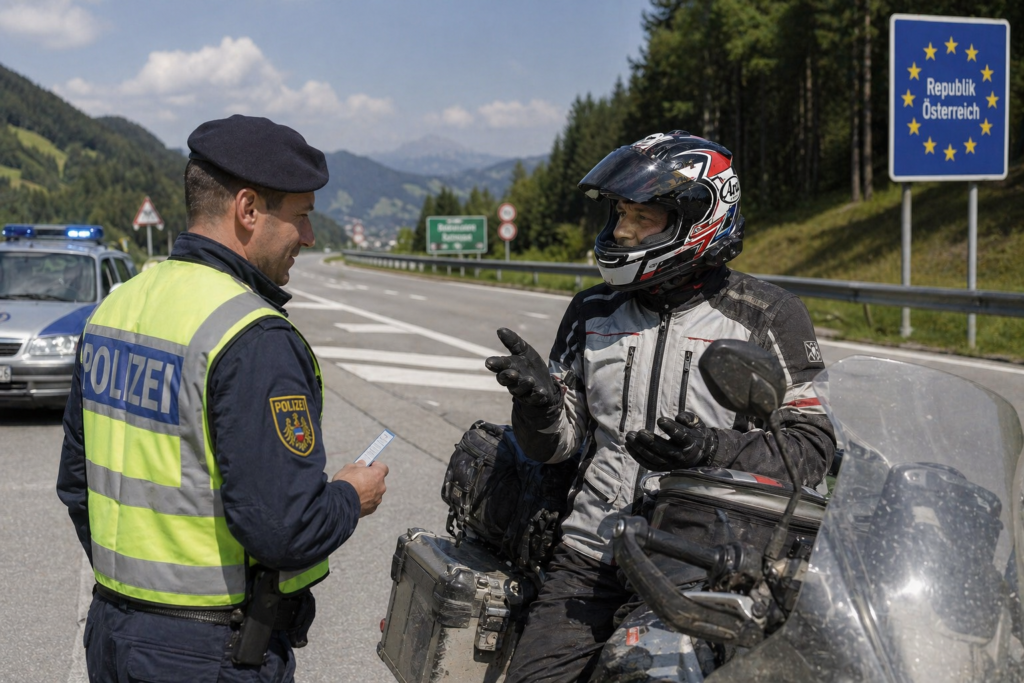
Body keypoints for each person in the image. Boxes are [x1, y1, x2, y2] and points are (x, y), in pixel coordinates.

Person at [485, 131, 836, 682]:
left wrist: (710, 450)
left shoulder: (767, 316)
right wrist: (539, 408)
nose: (622, 230)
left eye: (642, 218)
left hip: (702, 564)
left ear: (700, 218)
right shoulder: (593, 310)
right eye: (621, 214)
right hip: (590, 555)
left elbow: (811, 448)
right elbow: (559, 446)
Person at [56, 114, 389, 682]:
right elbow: (284, 529)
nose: (308, 238)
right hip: (209, 652)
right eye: (301, 217)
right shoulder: (251, 336)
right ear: (248, 209)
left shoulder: (113, 310)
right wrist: (348, 497)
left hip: (114, 634)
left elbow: (75, 482)